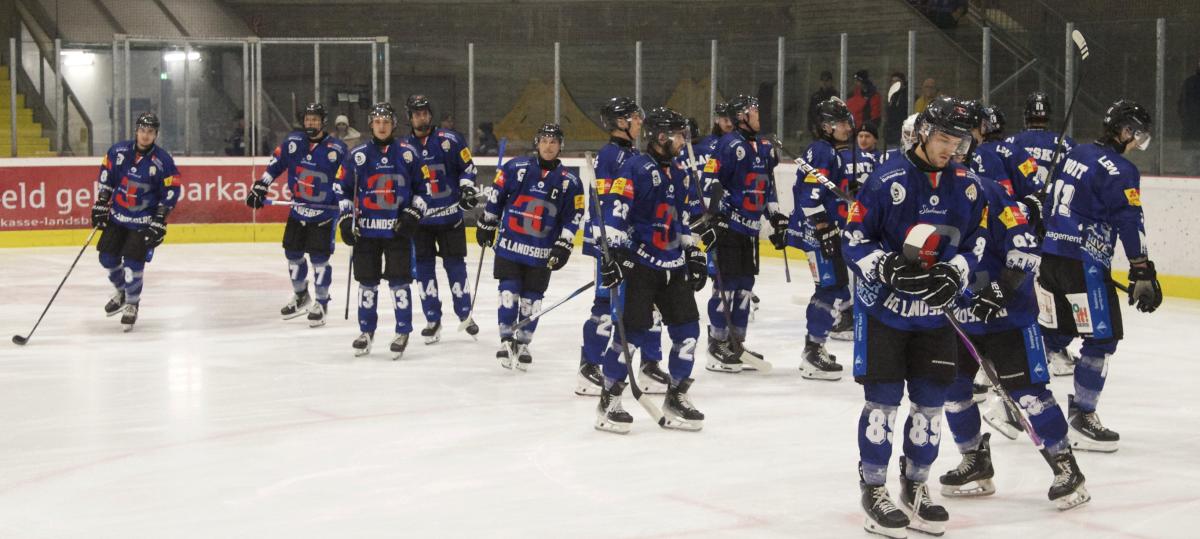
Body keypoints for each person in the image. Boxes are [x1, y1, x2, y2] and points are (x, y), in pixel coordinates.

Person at [843, 96, 988, 537]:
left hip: (934, 319)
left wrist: (957, 272)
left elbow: (977, 240)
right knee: (882, 407)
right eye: (944, 137)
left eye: (959, 139)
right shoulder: (885, 180)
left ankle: (916, 484)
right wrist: (883, 265)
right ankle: (873, 487)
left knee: (929, 408)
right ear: (924, 133)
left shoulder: (966, 184)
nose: (952, 147)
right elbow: (853, 237)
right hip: (884, 314)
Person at [938, 100, 1089, 510]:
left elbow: (1025, 248)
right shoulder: (929, 196)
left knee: (1028, 395)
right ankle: (975, 461)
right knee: (953, 391)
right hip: (961, 315)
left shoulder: (989, 193)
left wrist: (1002, 291)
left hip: (1008, 314)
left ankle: (1066, 467)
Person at [1038, 100, 1163, 453]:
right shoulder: (1121, 169)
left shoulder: (1076, 152)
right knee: (1102, 340)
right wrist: (1141, 269)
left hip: (1051, 257)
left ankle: (1018, 402)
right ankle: (1082, 417)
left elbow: (1049, 202)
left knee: (1056, 332)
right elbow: (1129, 220)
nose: (1138, 142)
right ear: (1124, 131)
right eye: (1136, 134)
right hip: (1084, 264)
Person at [595, 107, 708, 434]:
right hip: (642, 265)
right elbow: (615, 212)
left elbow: (682, 218)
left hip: (674, 266)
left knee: (688, 333)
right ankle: (609, 399)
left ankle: (676, 396)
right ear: (661, 137)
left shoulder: (680, 172)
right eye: (678, 134)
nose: (683, 140)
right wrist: (611, 256)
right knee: (630, 337)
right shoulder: (635, 168)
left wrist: (694, 252)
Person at [476, 123, 583, 371]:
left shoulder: (571, 182)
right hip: (510, 246)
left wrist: (564, 244)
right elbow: (496, 197)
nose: (548, 146)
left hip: (541, 252)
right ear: (537, 143)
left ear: (560, 146)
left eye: (553, 142)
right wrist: (487, 223)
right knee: (508, 292)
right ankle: (505, 339)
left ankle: (523, 342)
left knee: (532, 301)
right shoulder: (515, 168)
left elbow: (573, 215)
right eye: (544, 141)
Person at [579, 97, 661, 396]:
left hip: (637, 243)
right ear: (620, 122)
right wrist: (611, 244)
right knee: (606, 306)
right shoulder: (610, 156)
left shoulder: (633, 154)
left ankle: (649, 364)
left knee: (648, 304)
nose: (640, 122)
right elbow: (605, 205)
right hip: (613, 242)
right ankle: (589, 366)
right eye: (635, 118)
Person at [697, 94, 782, 373]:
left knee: (744, 287)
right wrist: (715, 217)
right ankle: (717, 344)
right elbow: (710, 183)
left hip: (749, 230)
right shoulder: (728, 145)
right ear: (742, 116)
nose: (759, 116)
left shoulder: (763, 147)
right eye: (754, 112)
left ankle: (737, 343)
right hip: (729, 229)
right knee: (726, 287)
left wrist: (775, 216)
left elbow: (766, 187)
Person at [338, 103, 430, 359]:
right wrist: (346, 219)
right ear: (370, 124)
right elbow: (341, 189)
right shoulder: (357, 155)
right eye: (377, 122)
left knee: (399, 281)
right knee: (367, 283)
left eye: (386, 122)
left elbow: (425, 191)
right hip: (366, 233)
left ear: (393, 124)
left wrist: (413, 214)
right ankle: (366, 331)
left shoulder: (409, 153)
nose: (381, 126)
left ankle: (402, 330)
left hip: (397, 232)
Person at [245, 102, 349, 328]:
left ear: (323, 121)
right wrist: (261, 187)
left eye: (315, 118)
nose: (310, 122)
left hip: (323, 214)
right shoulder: (293, 143)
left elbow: (348, 178)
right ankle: (301, 295)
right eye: (307, 118)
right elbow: (275, 165)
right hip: (298, 210)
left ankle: (322, 302)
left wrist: (348, 206)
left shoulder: (337, 149)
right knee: (292, 254)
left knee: (320, 260)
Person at [91, 112, 181, 332]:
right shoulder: (118, 151)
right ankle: (122, 291)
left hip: (142, 221)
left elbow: (170, 191)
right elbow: (107, 177)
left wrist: (159, 220)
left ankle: (132, 302)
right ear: (136, 131)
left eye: (150, 132)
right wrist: (102, 203)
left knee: (132, 265)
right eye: (142, 130)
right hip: (118, 217)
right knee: (107, 258)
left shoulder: (163, 161)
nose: (145, 135)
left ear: (155, 134)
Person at [788, 97, 858, 380]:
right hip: (819, 235)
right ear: (826, 126)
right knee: (831, 290)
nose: (846, 127)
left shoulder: (829, 151)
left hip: (824, 232)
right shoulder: (822, 151)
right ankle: (812, 350)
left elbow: (824, 191)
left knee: (835, 288)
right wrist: (823, 227)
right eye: (840, 122)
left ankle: (815, 346)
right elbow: (809, 196)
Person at [402, 95, 480, 343]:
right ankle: (432, 319)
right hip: (421, 223)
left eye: (424, 112)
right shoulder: (403, 147)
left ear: (430, 115)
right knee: (424, 271)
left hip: (450, 219)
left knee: (455, 267)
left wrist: (467, 188)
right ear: (410, 117)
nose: (421, 117)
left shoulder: (451, 139)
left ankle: (465, 314)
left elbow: (468, 167)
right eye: (416, 113)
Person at [1006, 91, 1075, 188]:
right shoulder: (1066, 143)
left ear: (1026, 115)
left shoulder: (1012, 142)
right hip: (1053, 200)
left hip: (1023, 201)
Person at [808, 71, 839, 136]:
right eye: (822, 80)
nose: (824, 83)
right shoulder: (815, 97)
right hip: (818, 129)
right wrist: (813, 128)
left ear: (831, 81)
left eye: (827, 80)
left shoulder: (835, 96)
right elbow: (811, 114)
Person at [884, 72, 909, 148]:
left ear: (903, 82)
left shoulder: (907, 96)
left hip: (901, 134)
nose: (894, 83)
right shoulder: (891, 97)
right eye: (893, 81)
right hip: (891, 135)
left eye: (897, 81)